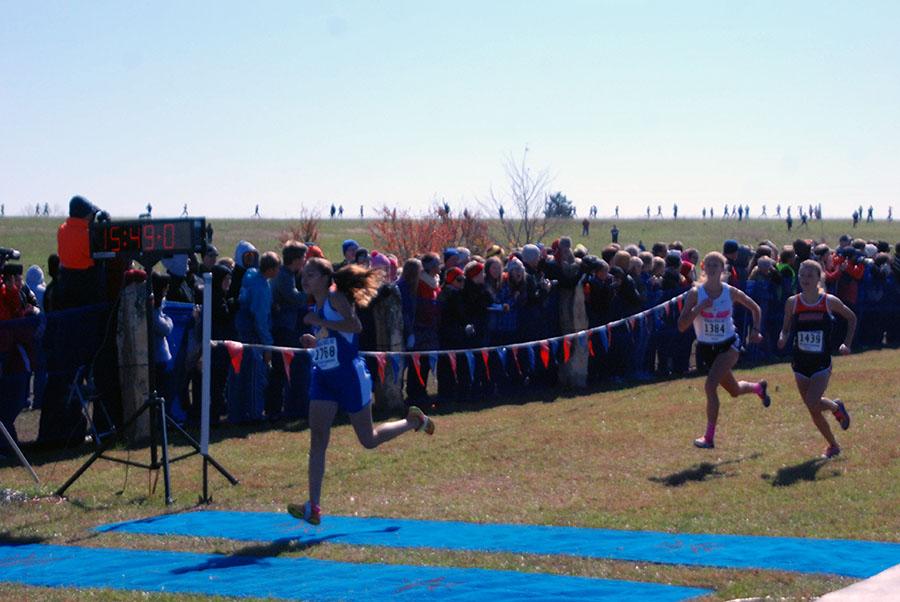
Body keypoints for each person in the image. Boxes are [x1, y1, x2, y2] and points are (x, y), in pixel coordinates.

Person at [288, 258, 435, 525]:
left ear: (325, 277)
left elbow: (355, 327)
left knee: (368, 440)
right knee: (318, 439)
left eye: (311, 274)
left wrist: (320, 321)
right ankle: (314, 507)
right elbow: (331, 338)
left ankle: (414, 420)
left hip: (349, 376)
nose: (304, 279)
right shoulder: (316, 305)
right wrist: (315, 339)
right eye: (303, 274)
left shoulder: (335, 299)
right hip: (323, 376)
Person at [677, 252, 771, 449]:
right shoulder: (695, 294)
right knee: (734, 390)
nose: (711, 268)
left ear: (723, 270)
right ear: (703, 268)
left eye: (716, 265)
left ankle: (708, 438)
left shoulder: (730, 292)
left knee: (710, 386)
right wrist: (699, 308)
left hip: (729, 345)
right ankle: (757, 388)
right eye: (708, 264)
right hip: (706, 349)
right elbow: (682, 326)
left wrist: (755, 330)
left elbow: (755, 308)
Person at [777, 260, 855, 458]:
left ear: (819, 277)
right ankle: (833, 445)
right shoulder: (792, 302)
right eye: (802, 275)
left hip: (821, 363)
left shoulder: (828, 301)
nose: (805, 280)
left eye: (810, 276)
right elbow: (785, 328)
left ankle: (836, 407)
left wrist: (847, 343)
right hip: (799, 363)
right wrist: (782, 338)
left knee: (812, 402)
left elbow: (851, 318)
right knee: (813, 409)